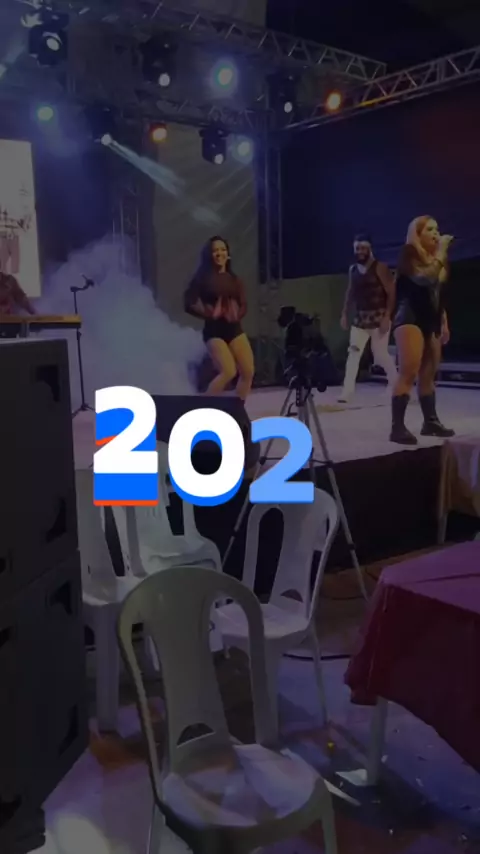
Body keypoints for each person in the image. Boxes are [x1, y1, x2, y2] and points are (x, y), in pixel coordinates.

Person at [390, 216, 454, 444]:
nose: (436, 234)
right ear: (418, 234)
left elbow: (438, 293)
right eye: (430, 229)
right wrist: (442, 251)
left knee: (429, 373)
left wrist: (443, 322)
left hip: (430, 320)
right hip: (410, 317)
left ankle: (431, 421)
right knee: (408, 371)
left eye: (437, 229)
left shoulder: (437, 259)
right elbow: (424, 279)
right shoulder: (409, 253)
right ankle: (397, 427)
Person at [184, 236, 254, 400]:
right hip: (214, 331)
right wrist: (208, 314)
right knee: (229, 371)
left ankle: (237, 408)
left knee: (248, 371)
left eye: (223, 250)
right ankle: (202, 407)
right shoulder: (202, 279)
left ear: (228, 254)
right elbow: (188, 303)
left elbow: (243, 304)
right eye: (215, 250)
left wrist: (237, 314)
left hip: (234, 329)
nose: (219, 253)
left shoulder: (235, 280)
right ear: (209, 255)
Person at [339, 234, 397, 402]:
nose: (360, 251)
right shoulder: (353, 270)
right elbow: (350, 292)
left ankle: (396, 384)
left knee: (380, 355)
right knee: (353, 353)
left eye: (363, 248)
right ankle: (347, 392)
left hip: (378, 317)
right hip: (360, 319)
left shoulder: (380, 267)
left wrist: (387, 316)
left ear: (370, 249)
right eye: (357, 248)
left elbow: (391, 292)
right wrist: (344, 313)